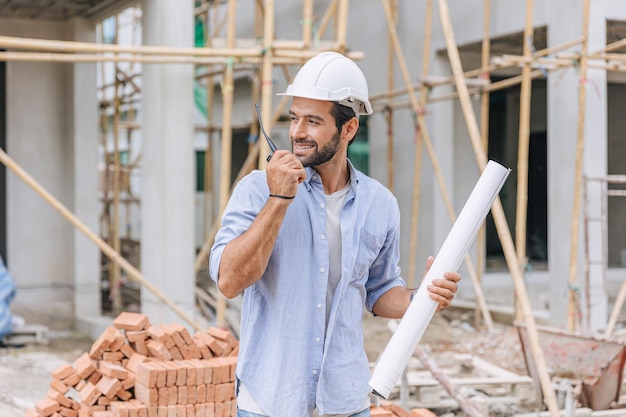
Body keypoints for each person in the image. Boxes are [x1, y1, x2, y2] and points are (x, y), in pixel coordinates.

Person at [209, 51, 461, 417]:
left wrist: (421, 298)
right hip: (270, 401)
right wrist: (279, 199)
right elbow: (229, 281)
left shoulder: (380, 204)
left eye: (313, 121)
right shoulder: (256, 190)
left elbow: (378, 292)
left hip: (345, 402)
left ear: (348, 129)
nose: (297, 132)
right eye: (294, 118)